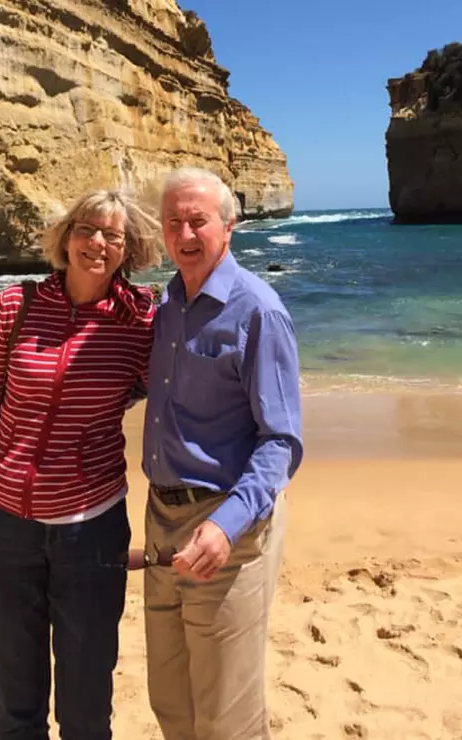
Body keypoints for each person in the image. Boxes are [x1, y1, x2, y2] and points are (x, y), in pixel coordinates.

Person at [0, 189, 162, 740]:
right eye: (87, 229)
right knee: (17, 712)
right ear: (65, 236)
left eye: (113, 235)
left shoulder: (142, 322)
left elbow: (178, 381)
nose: (98, 243)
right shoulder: (14, 307)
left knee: (87, 712)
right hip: (3, 531)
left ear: (129, 249)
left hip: (91, 532)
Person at [141, 167, 303, 740]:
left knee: (226, 717)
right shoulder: (164, 308)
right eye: (173, 221)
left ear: (228, 226)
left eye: (198, 220)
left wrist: (225, 527)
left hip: (227, 529)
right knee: (172, 703)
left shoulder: (258, 311)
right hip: (160, 523)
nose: (185, 233)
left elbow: (281, 440)